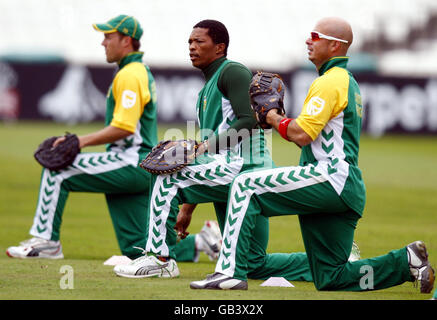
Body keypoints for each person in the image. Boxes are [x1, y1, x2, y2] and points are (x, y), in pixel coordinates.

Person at [190, 17, 435, 292]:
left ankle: (230, 272)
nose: (308, 40)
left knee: (245, 184)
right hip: (345, 187)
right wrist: (280, 119)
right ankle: (406, 261)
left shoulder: (331, 82)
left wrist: (271, 117)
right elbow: (307, 135)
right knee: (332, 276)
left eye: (315, 36)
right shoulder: (344, 81)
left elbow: (301, 135)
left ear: (334, 45)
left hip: (329, 177)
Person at [113, 19, 315, 280]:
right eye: (190, 42)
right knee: (253, 263)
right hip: (230, 173)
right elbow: (208, 154)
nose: (192, 47)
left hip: (244, 168)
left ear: (219, 47)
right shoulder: (205, 91)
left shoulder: (232, 72)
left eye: (199, 41)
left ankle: (160, 258)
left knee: (166, 174)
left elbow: (249, 120)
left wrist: (203, 146)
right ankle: (330, 262)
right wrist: (187, 207)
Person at [6, 15, 159, 260]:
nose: (103, 43)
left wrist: (79, 141)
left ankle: (47, 242)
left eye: (108, 37)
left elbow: (125, 128)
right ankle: (201, 243)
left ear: (126, 41)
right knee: (138, 247)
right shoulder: (136, 71)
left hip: (131, 161)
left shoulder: (131, 74)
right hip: (140, 165)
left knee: (58, 170)